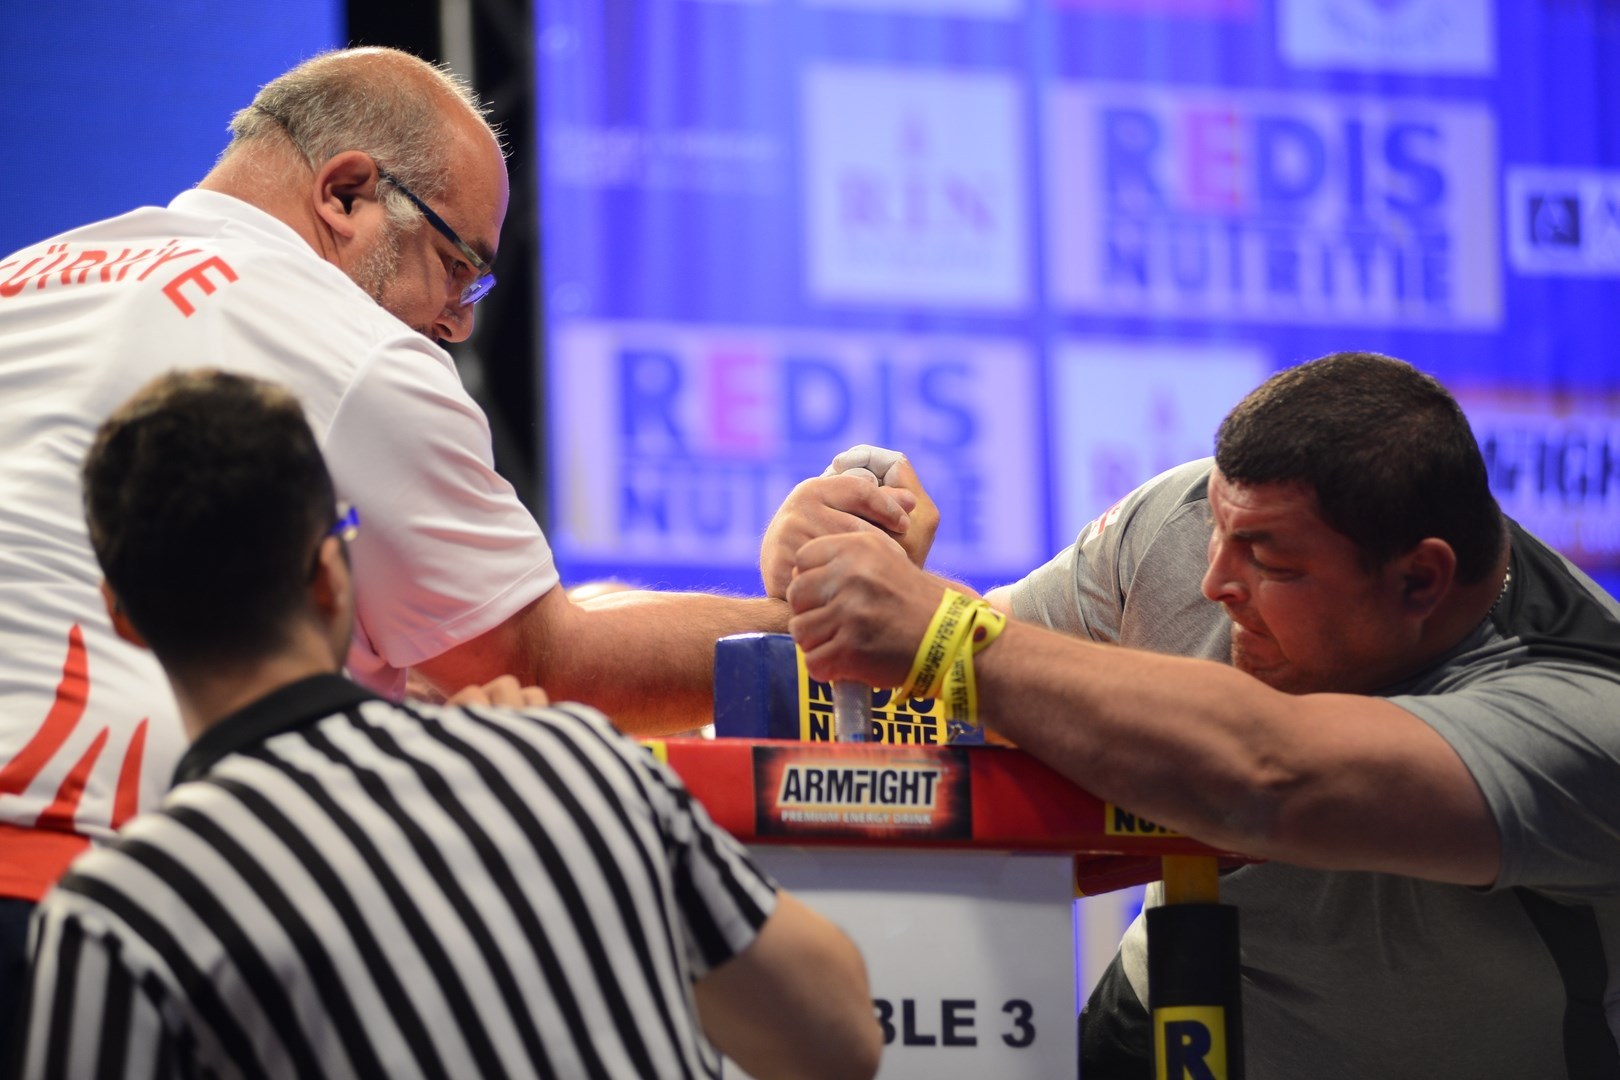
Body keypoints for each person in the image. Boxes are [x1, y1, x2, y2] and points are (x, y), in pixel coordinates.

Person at [0, 45, 928, 1029]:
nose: (455, 325)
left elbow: (508, 627)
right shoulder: (351, 344)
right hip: (106, 902)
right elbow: (550, 665)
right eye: (458, 267)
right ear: (347, 194)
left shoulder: (26, 282)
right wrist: (848, 615)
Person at [10, 368, 881, 1080]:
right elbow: (839, 1039)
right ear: (331, 576)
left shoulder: (119, 916)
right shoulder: (572, 758)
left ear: (122, 616)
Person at [768, 352, 1620, 1078]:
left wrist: (941, 630)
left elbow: (1270, 777)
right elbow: (987, 712)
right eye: (1218, 528)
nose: (1214, 581)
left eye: (1268, 562)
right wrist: (838, 572)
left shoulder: (1586, 711)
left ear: (1420, 582)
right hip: (1165, 1025)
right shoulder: (1191, 525)